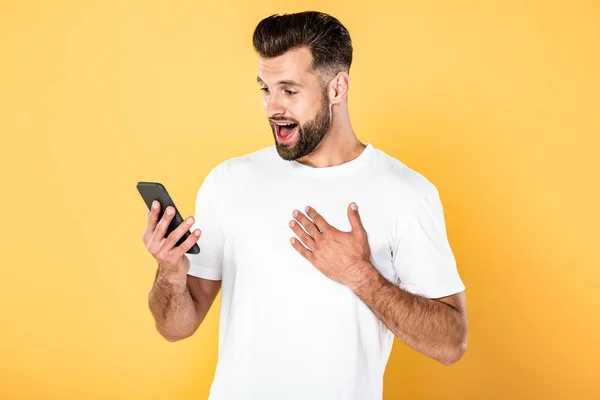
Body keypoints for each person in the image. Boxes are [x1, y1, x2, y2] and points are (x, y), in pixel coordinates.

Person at [142, 11, 467, 400]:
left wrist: (359, 275)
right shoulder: (229, 182)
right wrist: (170, 275)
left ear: (337, 88)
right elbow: (175, 326)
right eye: (265, 88)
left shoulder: (406, 194)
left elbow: (450, 343)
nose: (272, 107)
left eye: (289, 91)